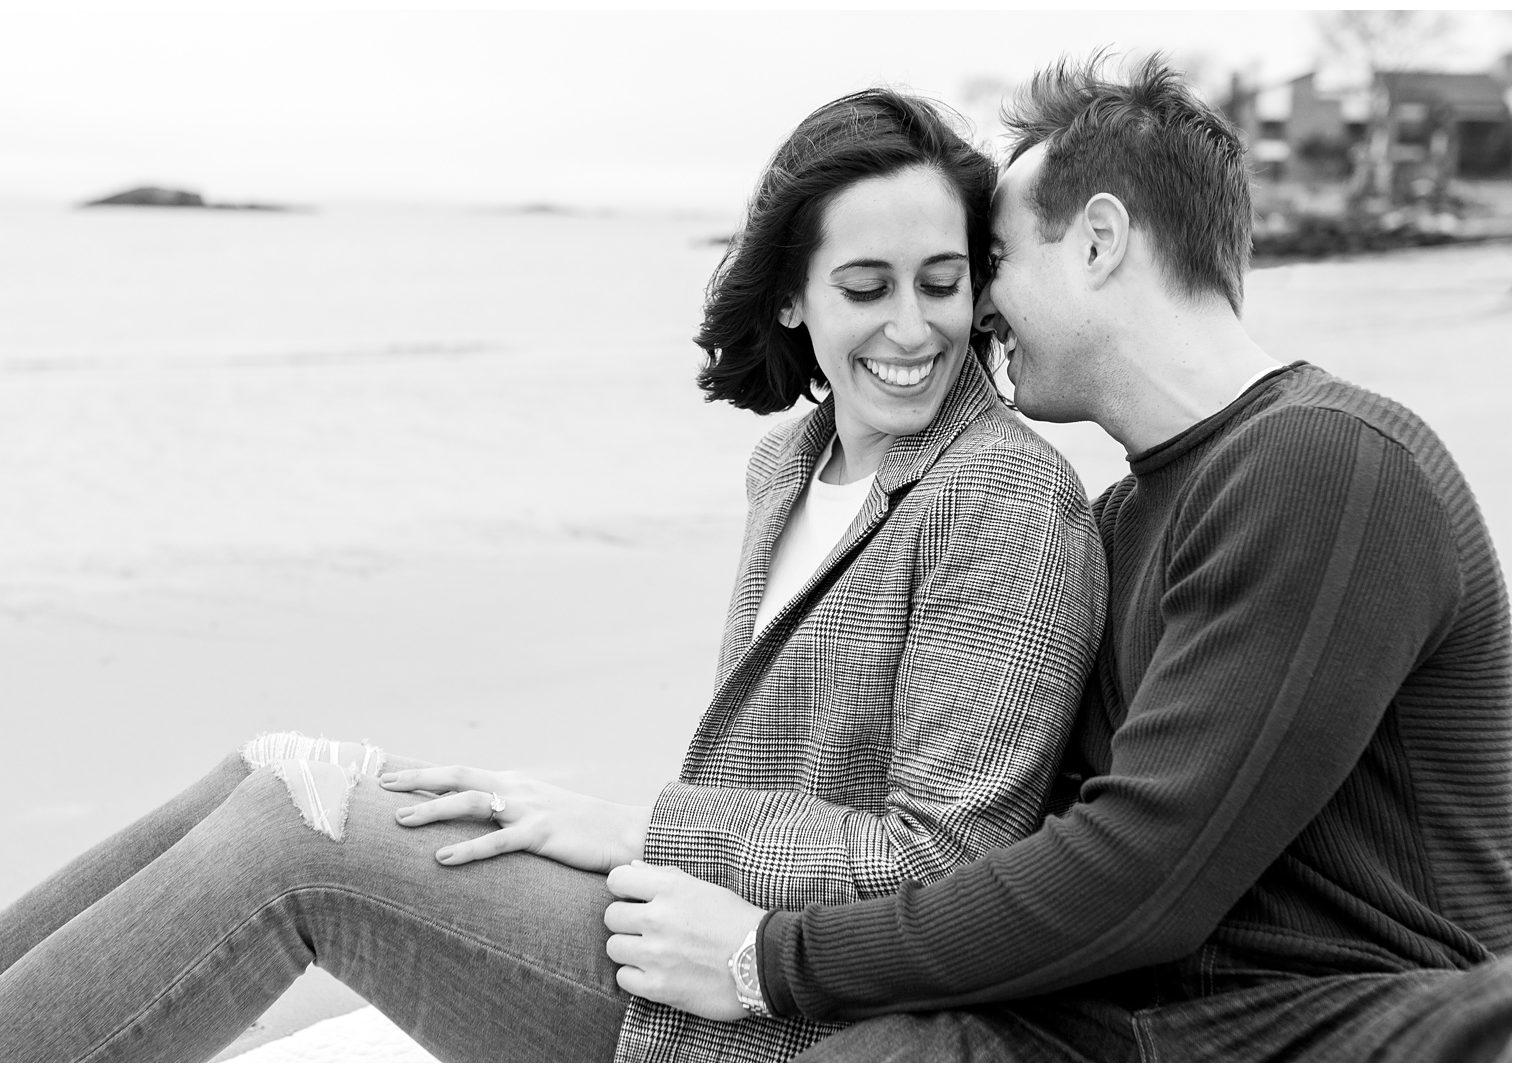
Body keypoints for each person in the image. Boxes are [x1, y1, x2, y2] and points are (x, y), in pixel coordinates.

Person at [0, 89, 1108, 1063]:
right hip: (669, 912)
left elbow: (950, 860)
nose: (912, 326)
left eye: (941, 280)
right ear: (793, 296)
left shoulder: (998, 493)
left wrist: (636, 824)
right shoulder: (787, 462)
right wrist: (595, 825)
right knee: (285, 768)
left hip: (756, 999)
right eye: (866, 286)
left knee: (300, 845)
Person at [600, 54, 1512, 1063]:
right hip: (1113, 1020)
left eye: (990, 260)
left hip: (1336, 1021)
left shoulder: (1325, 461)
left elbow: (1137, 870)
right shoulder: (1122, 514)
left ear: (1097, 242)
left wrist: (768, 960)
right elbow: (1032, 850)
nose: (975, 311)